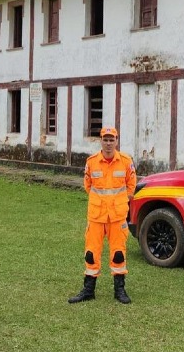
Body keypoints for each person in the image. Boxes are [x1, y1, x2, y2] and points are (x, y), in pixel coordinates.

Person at [68, 126, 137, 305]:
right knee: (91, 253)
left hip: (117, 217)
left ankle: (119, 290)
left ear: (116, 141)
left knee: (119, 254)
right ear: (101, 141)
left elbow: (131, 185)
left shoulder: (125, 161)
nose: (108, 143)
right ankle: (88, 290)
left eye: (111, 139)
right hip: (97, 216)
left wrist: (121, 201)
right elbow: (88, 185)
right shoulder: (91, 162)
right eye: (105, 140)